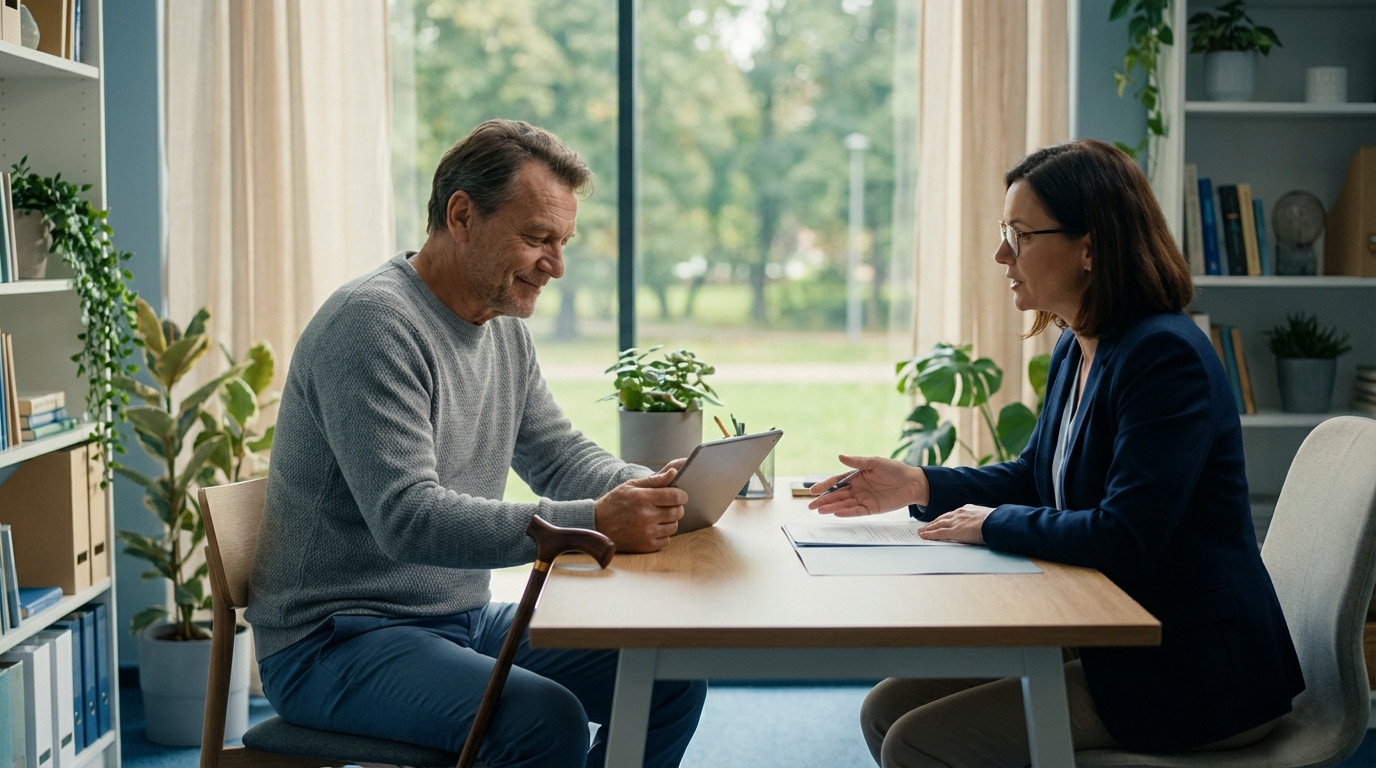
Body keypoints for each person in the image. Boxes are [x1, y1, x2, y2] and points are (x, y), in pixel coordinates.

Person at [808, 138, 1304, 767]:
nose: (1000, 255)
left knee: (916, 743)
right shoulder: (1080, 344)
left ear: (1090, 246)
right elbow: (1037, 478)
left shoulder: (1164, 357)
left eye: (1019, 234)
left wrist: (989, 524)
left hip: (1190, 668)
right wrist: (918, 485)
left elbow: (1126, 535)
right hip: (1115, 638)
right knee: (884, 708)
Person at [245, 119, 707, 767]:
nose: (556, 265)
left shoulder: (502, 327)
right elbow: (409, 518)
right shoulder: (372, 324)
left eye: (563, 241)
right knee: (542, 721)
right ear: (462, 216)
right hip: (335, 641)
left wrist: (661, 487)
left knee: (666, 678)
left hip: (455, 620)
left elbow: (560, 456)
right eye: (538, 238)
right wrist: (594, 523)